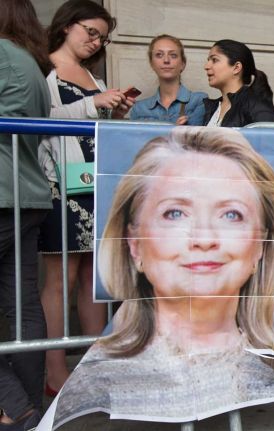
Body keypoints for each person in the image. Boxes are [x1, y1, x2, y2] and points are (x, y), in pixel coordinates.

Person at [47, 127, 274, 427]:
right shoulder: (95, 387)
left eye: (231, 215)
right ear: (133, 242)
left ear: (262, 244)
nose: (204, 238)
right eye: (175, 214)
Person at [37, 0, 134, 397]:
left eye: (102, 37)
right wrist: (93, 103)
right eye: (90, 31)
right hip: (58, 182)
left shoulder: (93, 77)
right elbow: (41, 118)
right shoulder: (41, 67)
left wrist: (116, 111)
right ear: (66, 25)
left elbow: (96, 126)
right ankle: (53, 369)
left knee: (93, 277)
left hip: (95, 182)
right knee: (62, 277)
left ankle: (95, 364)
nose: (95, 42)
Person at [0, 1, 52, 428]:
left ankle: (16, 406)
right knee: (24, 309)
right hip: (27, 194)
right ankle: (29, 408)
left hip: (3, 192)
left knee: (23, 309)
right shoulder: (30, 61)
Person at [129, 34, 206, 125]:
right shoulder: (139, 109)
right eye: (159, 55)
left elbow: (196, 138)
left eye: (173, 55)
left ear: (183, 64)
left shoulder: (199, 101)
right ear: (152, 63)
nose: (166, 60)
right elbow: (135, 139)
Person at [203, 39, 274, 127]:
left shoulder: (256, 103)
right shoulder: (211, 108)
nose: (206, 66)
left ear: (236, 67)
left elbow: (268, 138)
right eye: (208, 60)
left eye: (214, 60)